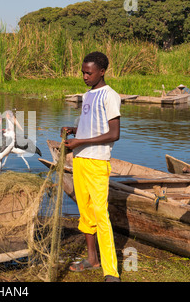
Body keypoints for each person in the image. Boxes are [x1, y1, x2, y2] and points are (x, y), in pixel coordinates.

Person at [61, 51, 121, 282]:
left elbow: (114, 134)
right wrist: (74, 131)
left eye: (89, 72)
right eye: (83, 72)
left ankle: (111, 272)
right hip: (80, 160)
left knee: (101, 215)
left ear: (102, 72)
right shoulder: (87, 95)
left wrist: (81, 141)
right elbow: (90, 126)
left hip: (97, 162)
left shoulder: (110, 95)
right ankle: (92, 259)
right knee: (85, 212)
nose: (85, 76)